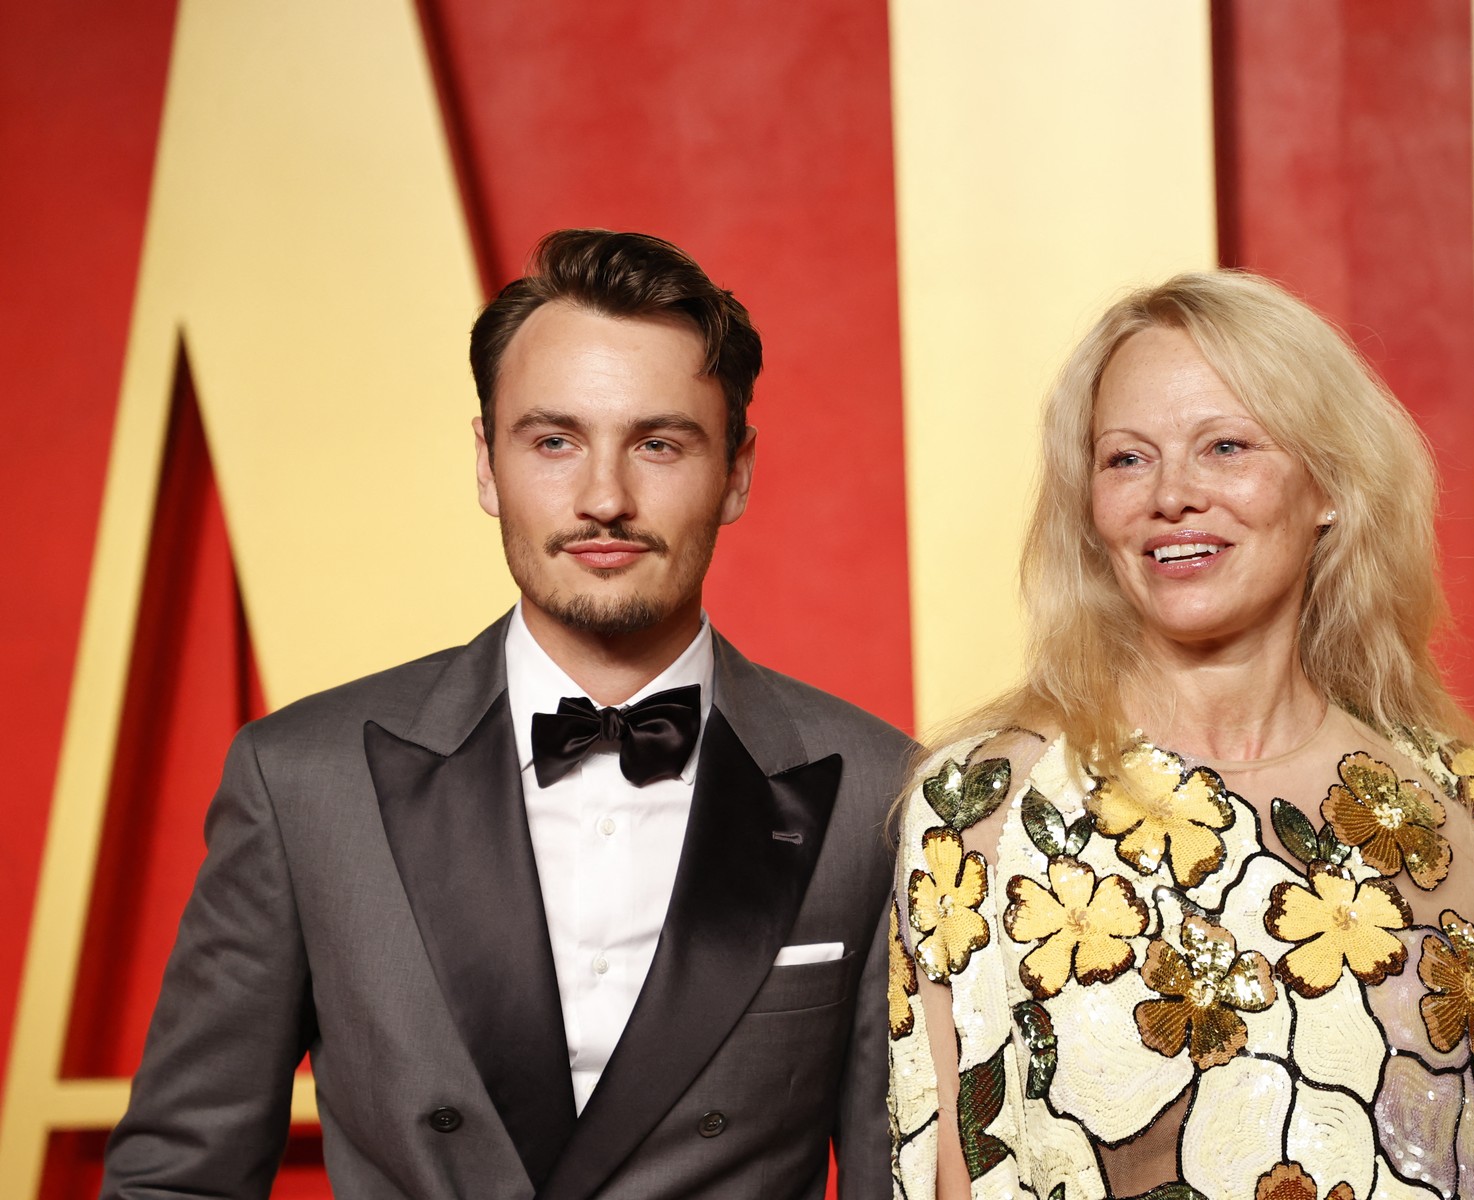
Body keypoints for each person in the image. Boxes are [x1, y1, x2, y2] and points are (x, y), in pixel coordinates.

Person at [103, 229, 910, 1200]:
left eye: (658, 444)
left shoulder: (880, 792)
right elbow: (177, 1180)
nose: (604, 498)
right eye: (554, 441)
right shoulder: (304, 783)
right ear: (487, 462)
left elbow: (899, 1182)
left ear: (735, 469)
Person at [887, 272, 1474, 1200]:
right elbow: (951, 1174)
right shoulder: (981, 809)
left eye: (1225, 446)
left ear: (1329, 485)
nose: (1172, 495)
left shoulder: (1471, 806)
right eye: (1126, 459)